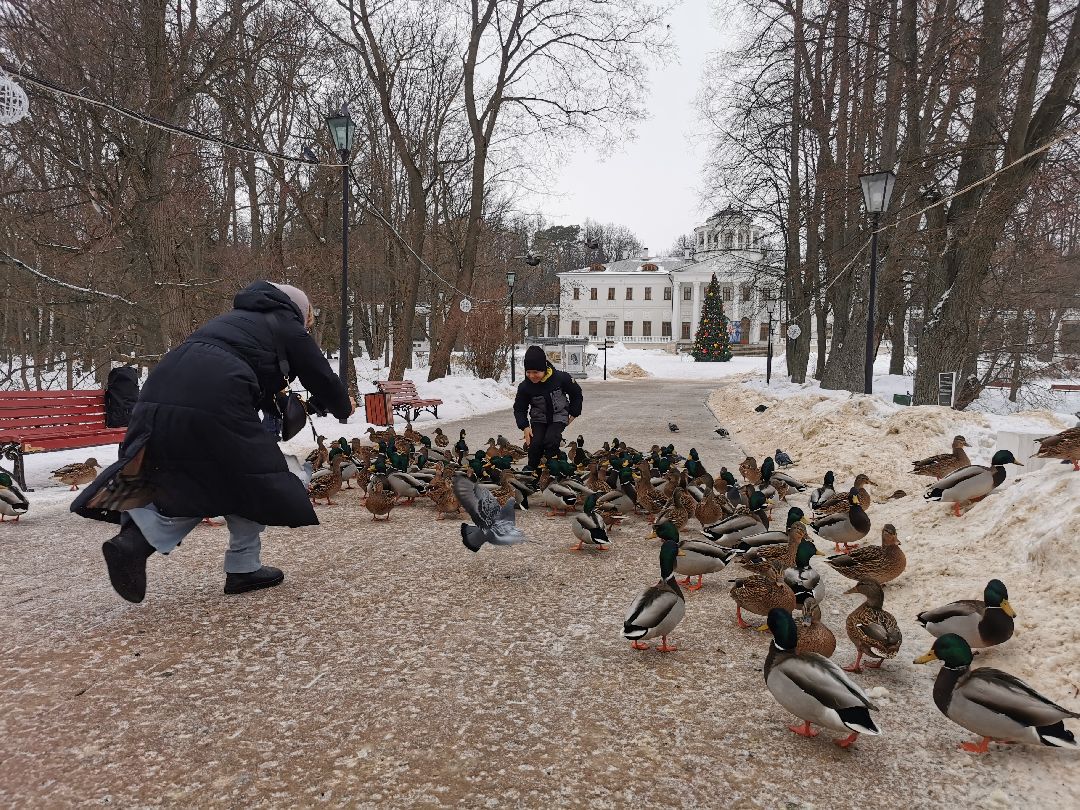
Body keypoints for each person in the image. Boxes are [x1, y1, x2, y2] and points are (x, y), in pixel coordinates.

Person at [73, 281, 355, 603]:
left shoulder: (232, 321)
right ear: (298, 310)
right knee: (248, 479)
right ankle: (215, 562)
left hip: (156, 397)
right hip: (213, 399)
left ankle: (151, 548)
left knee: (205, 475)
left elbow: (239, 374)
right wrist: (342, 406)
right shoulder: (285, 323)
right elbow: (321, 376)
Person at [513, 345, 583, 471]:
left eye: (536, 372)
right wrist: (525, 427)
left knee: (550, 440)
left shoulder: (561, 378)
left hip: (558, 416)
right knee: (535, 444)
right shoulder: (525, 387)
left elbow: (576, 393)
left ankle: (551, 469)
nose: (532, 376)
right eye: (528, 372)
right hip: (539, 419)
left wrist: (574, 413)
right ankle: (532, 471)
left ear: (544, 369)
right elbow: (519, 408)